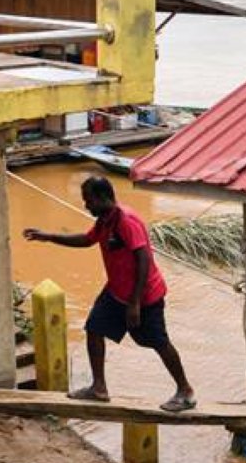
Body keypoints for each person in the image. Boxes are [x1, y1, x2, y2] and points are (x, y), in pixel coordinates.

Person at [24, 176, 196, 412]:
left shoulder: (126, 221)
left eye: (89, 200)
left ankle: (185, 391)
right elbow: (86, 240)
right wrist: (50, 237)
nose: (86, 205)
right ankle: (99, 388)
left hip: (144, 296)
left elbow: (144, 259)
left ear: (102, 197)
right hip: (116, 291)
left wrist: (135, 303)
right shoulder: (105, 220)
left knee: (157, 341)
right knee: (94, 329)